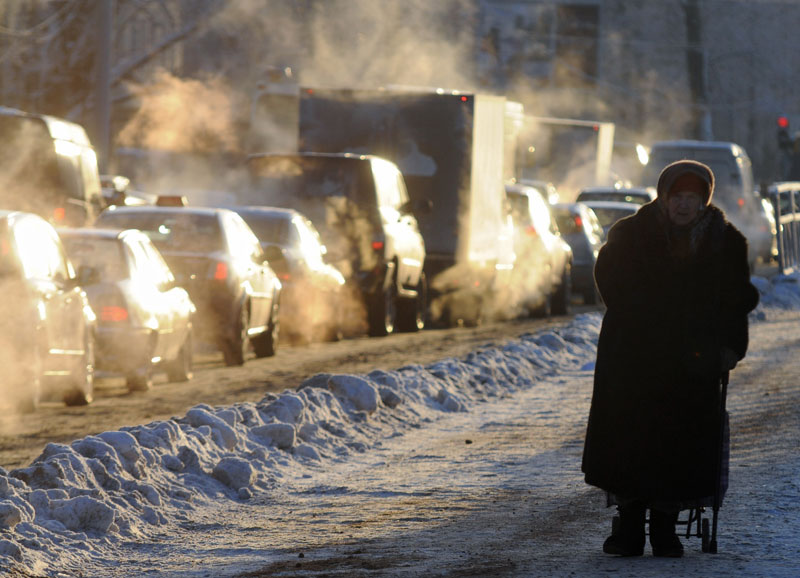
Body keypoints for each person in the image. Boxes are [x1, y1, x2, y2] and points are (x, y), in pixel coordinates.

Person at [581, 160, 760, 557]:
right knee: (630, 437)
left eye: (691, 198)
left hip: (691, 361)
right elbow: (608, 279)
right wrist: (639, 314)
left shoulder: (724, 242)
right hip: (633, 355)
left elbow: (735, 301)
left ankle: (665, 526)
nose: (682, 205)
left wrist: (729, 347)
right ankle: (629, 526)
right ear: (663, 198)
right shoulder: (629, 235)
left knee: (679, 439)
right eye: (676, 196)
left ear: (703, 201)